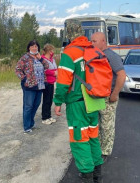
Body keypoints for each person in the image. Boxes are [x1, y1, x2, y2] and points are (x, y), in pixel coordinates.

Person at [54, 35, 104, 182]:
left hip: (77, 103)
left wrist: (58, 101)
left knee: (79, 139)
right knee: (93, 137)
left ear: (69, 35)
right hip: (94, 100)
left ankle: (87, 175)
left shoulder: (70, 52)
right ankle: (97, 173)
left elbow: (63, 82)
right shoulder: (93, 50)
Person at [91, 32, 126, 160]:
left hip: (108, 96)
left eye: (94, 41)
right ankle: (98, 148)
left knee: (107, 126)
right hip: (96, 96)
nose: (92, 43)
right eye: (91, 41)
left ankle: (105, 152)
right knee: (97, 125)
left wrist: (115, 94)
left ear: (103, 41)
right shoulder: (95, 55)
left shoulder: (112, 56)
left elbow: (122, 75)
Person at [15, 40, 49, 133]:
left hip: (40, 85)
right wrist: (24, 78)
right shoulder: (25, 58)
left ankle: (31, 123)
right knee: (28, 106)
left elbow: (47, 66)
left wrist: (41, 59)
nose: (34, 48)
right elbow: (17, 69)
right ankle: (27, 126)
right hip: (29, 86)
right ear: (29, 47)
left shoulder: (39, 57)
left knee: (36, 105)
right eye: (32, 46)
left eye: (36, 46)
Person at [41, 44, 58, 125]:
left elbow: (55, 68)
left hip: (52, 81)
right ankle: (44, 117)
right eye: (51, 50)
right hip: (46, 81)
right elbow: (45, 70)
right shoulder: (43, 59)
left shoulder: (52, 60)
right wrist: (54, 73)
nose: (52, 52)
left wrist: (56, 72)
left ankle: (49, 115)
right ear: (48, 51)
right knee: (46, 100)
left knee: (50, 99)